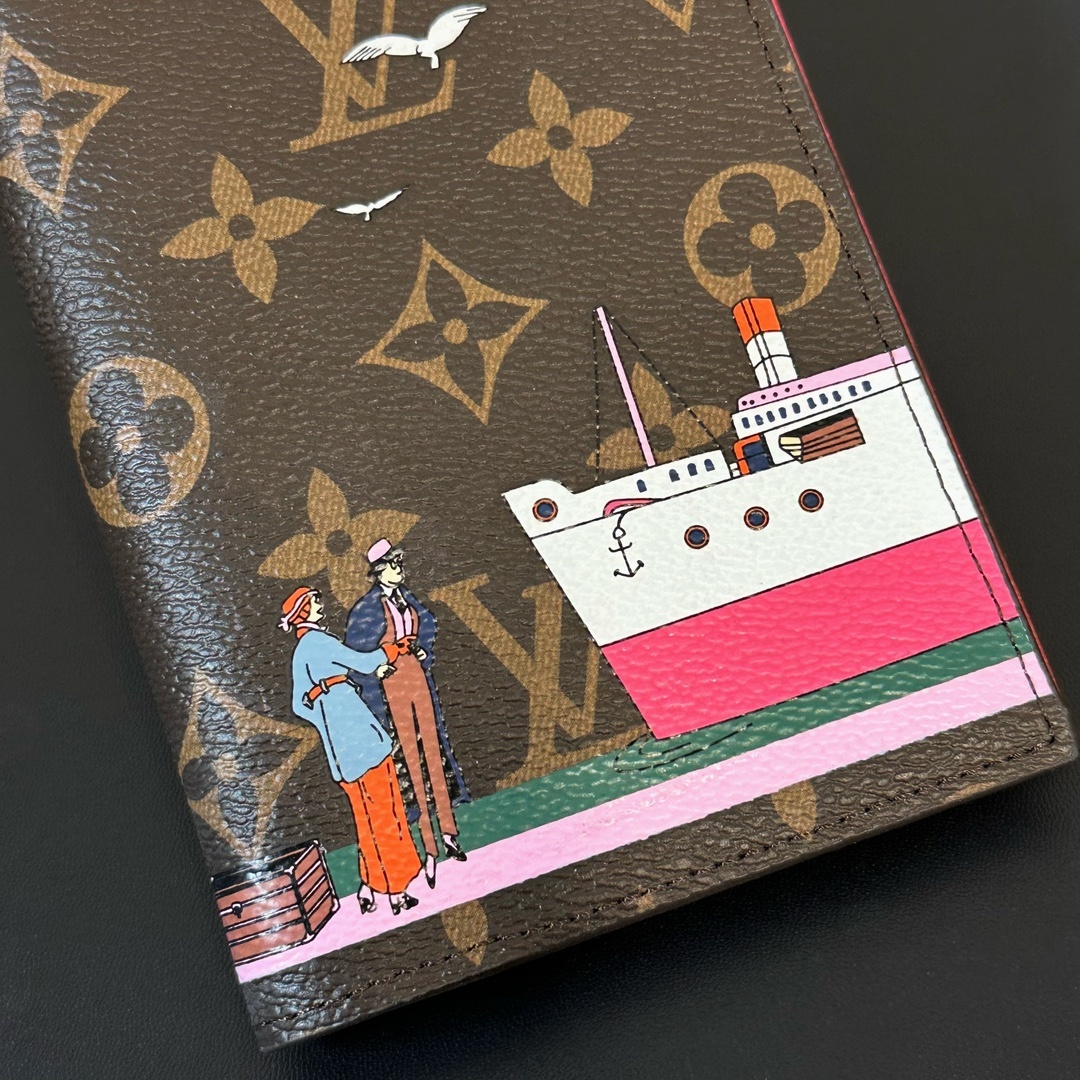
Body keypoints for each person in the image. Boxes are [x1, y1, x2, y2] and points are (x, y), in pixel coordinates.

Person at [280, 586, 421, 915]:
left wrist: (324, 715)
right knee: (387, 815)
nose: (320, 606)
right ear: (304, 612)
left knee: (367, 821)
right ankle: (396, 891)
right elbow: (364, 662)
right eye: (314, 603)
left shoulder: (302, 652)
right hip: (364, 745)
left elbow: (299, 704)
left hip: (341, 753)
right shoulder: (317, 642)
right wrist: (394, 649)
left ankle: (370, 886)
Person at [345, 539, 469, 889]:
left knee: (434, 749)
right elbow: (354, 655)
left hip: (416, 674)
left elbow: (427, 622)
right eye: (393, 564)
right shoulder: (366, 608)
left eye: (399, 562)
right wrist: (377, 669)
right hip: (391, 684)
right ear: (378, 570)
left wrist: (423, 650)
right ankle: (429, 846)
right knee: (410, 758)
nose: (400, 569)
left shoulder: (407, 598)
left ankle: (449, 833)